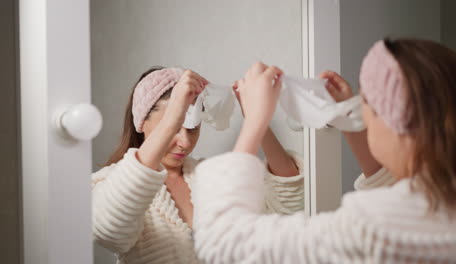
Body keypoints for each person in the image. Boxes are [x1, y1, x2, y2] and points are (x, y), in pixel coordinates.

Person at [192, 39, 456, 263]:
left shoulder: (377, 228)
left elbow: (224, 241)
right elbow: (396, 188)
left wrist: (254, 119)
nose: (364, 115)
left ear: (397, 122)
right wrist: (348, 118)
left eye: (367, 105)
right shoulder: (448, 201)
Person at [91, 66, 304, 264]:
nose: (184, 142)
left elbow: (288, 205)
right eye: (174, 127)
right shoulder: (109, 182)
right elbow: (109, 231)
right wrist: (174, 114)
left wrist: (256, 117)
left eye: (192, 128)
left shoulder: (210, 177)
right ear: (142, 122)